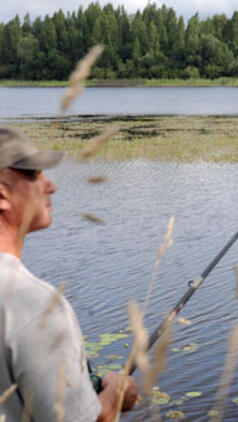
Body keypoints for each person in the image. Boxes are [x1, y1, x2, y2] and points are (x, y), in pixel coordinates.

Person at [0, 127, 138, 421]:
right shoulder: (36, 304)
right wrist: (115, 395)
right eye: (35, 174)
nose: (50, 185)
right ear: (1, 194)